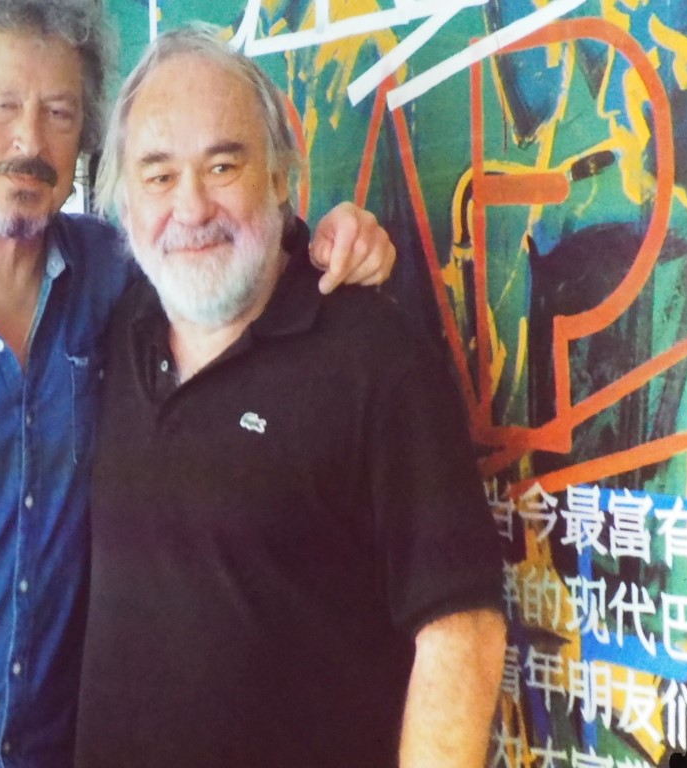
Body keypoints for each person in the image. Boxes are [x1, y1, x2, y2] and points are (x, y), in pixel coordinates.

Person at [0, 2, 395, 767]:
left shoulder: (118, 279)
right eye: (3, 107)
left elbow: (223, 249)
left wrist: (328, 235)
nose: (30, 141)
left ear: (88, 141)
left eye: (60, 113)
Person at [75, 23, 507, 768]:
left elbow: (461, 635)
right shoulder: (112, 331)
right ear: (122, 202)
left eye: (223, 165)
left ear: (280, 176)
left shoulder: (376, 359)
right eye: (158, 176)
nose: (191, 208)